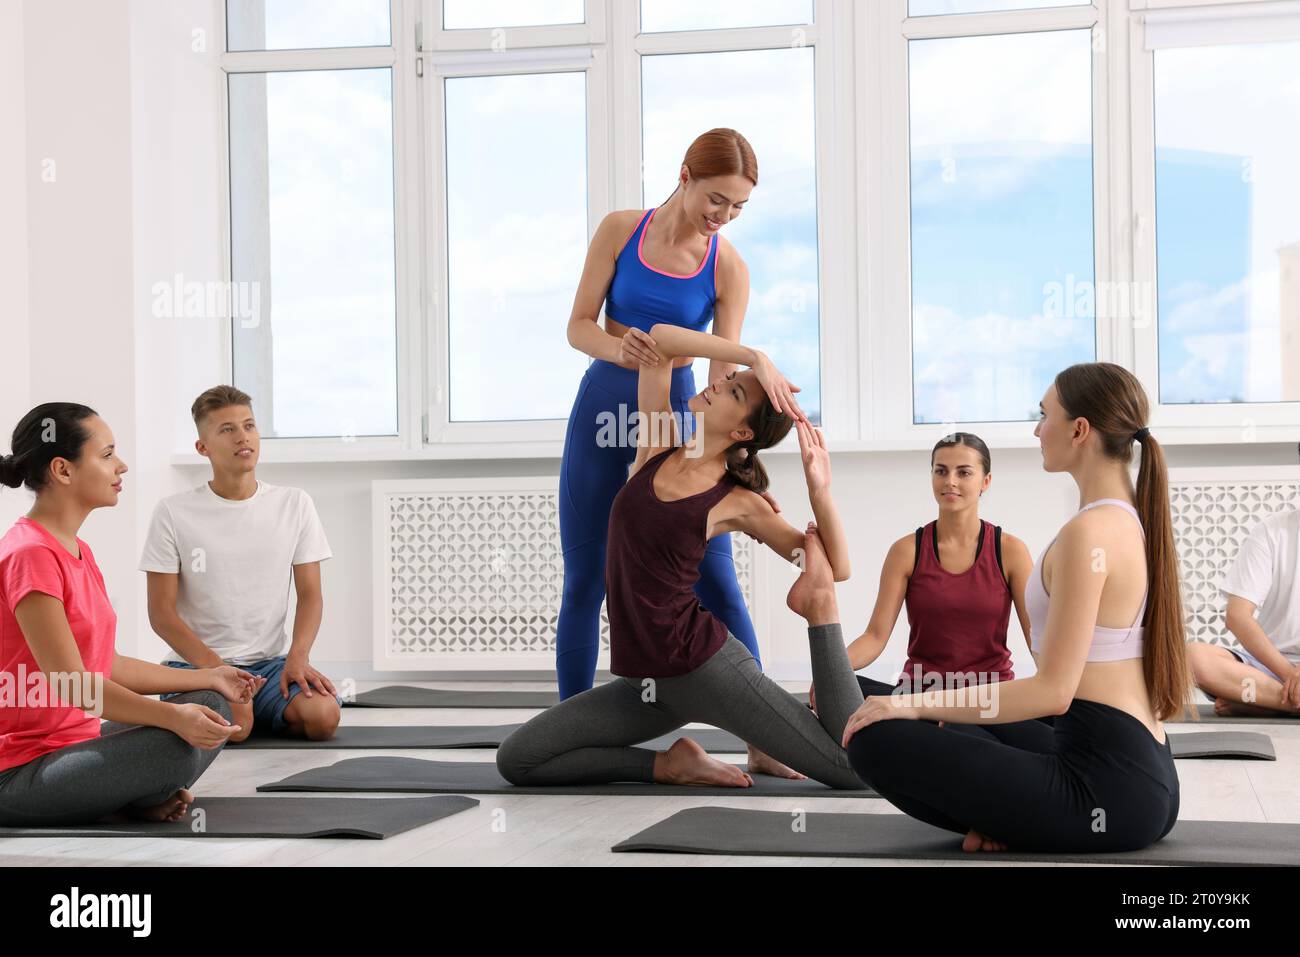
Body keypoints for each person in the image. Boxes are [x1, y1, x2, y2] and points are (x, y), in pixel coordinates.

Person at [497, 323, 872, 790]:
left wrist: (821, 491)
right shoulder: (657, 445)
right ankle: (672, 765)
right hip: (645, 685)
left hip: (705, 669)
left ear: (741, 430)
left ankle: (821, 616)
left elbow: (836, 567)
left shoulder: (736, 501)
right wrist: (752, 357)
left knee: (851, 768)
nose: (716, 382)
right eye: (728, 378)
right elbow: (659, 342)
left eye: (733, 390)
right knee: (518, 759)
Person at [847, 363, 1187, 853]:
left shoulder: (1089, 533)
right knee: (959, 718)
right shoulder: (1127, 518)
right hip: (1143, 774)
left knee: (873, 741)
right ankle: (1006, 815)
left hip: (1106, 792)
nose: (1036, 428)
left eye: (1044, 413)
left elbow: (1053, 692)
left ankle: (1006, 817)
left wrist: (910, 702)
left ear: (1079, 430)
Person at [556, 128, 771, 704]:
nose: (724, 215)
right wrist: (618, 348)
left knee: (716, 579)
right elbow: (580, 324)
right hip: (602, 413)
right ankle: (569, 727)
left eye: (738, 206)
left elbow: (719, 374)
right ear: (685, 176)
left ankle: (765, 729)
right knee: (587, 580)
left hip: (671, 422)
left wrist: (719, 452)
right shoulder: (621, 230)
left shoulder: (729, 268)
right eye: (717, 199)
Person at [0, 403, 253, 826]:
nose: (121, 466)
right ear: (63, 470)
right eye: (106, 455)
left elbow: (108, 665)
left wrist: (206, 676)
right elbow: (73, 685)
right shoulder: (30, 554)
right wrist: (172, 717)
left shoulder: (78, 552)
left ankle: (126, 792)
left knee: (211, 704)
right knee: (173, 744)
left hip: (73, 745)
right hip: (20, 770)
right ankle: (129, 791)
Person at [140, 386, 341, 741]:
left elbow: (311, 595)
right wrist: (218, 671)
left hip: (268, 666)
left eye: (249, 426)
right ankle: (235, 711)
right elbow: (162, 615)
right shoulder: (173, 512)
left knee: (323, 717)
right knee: (238, 728)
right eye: (227, 429)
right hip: (197, 666)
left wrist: (298, 658)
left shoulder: (294, 504)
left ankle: (251, 707)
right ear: (203, 447)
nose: (242, 437)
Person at [815, 433, 1034, 714]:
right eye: (941, 471)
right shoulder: (906, 551)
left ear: (985, 482)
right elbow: (875, 637)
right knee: (841, 690)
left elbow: (1037, 640)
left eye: (964, 472)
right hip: (921, 698)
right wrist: (830, 674)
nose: (950, 481)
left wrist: (1070, 690)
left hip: (987, 700)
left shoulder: (1011, 551)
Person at [1185, 442, 1300, 717]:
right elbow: (1237, 616)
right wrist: (1290, 674)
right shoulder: (1272, 531)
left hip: (1268, 683)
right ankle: (1285, 701)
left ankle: (1267, 704)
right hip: (1271, 667)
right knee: (1191, 657)